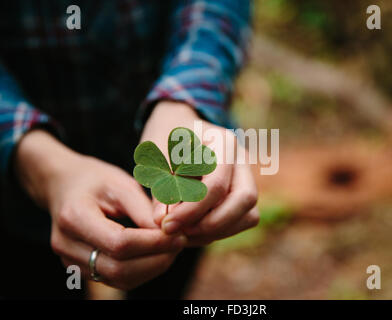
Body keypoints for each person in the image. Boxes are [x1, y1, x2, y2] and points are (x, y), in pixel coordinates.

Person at [0, 0, 258, 299]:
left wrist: (185, 102)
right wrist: (39, 163)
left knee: (163, 279)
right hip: (16, 199)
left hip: (181, 210)